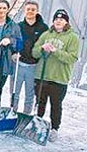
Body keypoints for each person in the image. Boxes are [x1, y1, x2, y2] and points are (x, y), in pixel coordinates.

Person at [32, 9, 80, 141]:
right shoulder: (46, 35)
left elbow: (72, 58)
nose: (58, 21)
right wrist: (42, 48)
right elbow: (34, 52)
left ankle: (54, 129)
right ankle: (38, 125)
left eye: (62, 19)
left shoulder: (72, 38)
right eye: (56, 19)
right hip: (42, 76)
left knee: (56, 105)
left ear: (66, 22)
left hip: (59, 78)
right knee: (40, 102)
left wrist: (55, 51)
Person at [12, 1, 48, 114]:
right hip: (19, 64)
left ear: (37, 11)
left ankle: (26, 116)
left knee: (29, 94)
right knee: (15, 92)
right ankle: (13, 112)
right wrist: (13, 52)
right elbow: (13, 40)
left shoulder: (43, 28)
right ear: (24, 11)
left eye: (33, 9)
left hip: (33, 66)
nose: (30, 12)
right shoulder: (19, 26)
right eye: (28, 9)